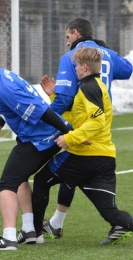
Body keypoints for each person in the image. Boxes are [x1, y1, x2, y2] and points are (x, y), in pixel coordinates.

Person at [0, 48, 72, 250]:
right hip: (36, 138)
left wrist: (69, 133)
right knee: (18, 176)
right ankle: (30, 231)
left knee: (6, 183)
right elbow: (13, 105)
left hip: (40, 140)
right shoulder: (1, 75)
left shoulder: (3, 88)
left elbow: (42, 111)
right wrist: (0, 124)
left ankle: (9, 238)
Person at [40, 17, 133, 239]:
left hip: (87, 127)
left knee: (51, 175)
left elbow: (64, 100)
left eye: (67, 37)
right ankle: (55, 223)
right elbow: (128, 69)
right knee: (72, 176)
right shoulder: (103, 54)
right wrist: (103, 50)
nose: (67, 43)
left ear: (75, 33)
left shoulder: (72, 57)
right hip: (98, 126)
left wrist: (45, 120)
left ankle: (34, 229)